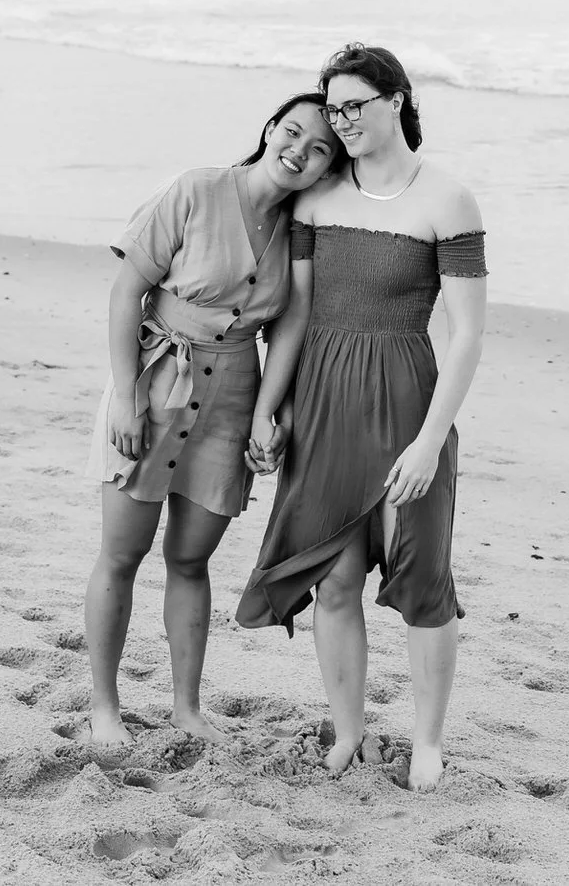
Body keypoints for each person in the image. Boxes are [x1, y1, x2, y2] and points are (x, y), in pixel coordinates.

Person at [237, 44, 487, 793]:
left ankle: (428, 741)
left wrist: (430, 439)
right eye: (332, 104)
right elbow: (298, 312)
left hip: (411, 400)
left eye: (354, 105)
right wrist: (267, 411)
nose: (340, 120)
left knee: (423, 579)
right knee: (335, 580)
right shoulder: (317, 198)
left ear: (398, 101)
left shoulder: (447, 198)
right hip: (323, 403)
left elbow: (467, 333)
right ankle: (349, 730)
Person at [82, 93, 339, 749]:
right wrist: (126, 396)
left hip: (231, 398)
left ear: (325, 168)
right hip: (159, 374)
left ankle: (186, 706)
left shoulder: (299, 231)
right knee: (122, 553)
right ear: (269, 128)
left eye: (318, 150)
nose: (299, 152)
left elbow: (288, 329)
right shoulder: (196, 189)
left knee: (190, 559)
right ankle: (105, 705)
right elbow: (126, 290)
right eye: (293, 132)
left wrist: (263, 418)